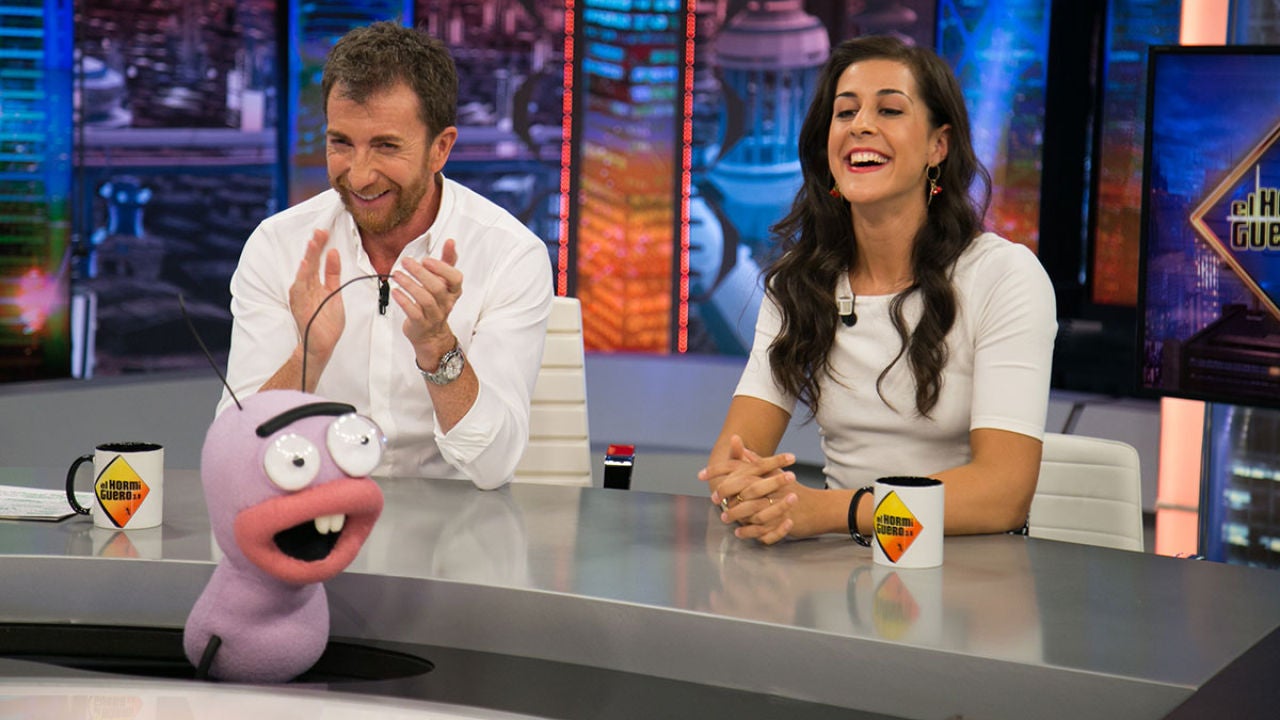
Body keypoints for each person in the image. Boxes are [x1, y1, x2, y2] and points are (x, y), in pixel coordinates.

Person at [699, 36, 1056, 544]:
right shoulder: (800, 284)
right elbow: (733, 461)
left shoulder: (1004, 276)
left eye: (889, 110)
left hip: (968, 567)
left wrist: (833, 511)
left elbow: (1002, 493)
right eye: (845, 113)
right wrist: (745, 492)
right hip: (836, 568)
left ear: (938, 146)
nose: (860, 125)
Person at [218, 22, 553, 489]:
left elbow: (492, 465)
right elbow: (234, 453)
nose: (359, 176)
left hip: (454, 521)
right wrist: (309, 355)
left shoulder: (509, 256)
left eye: (386, 146)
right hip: (316, 509)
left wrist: (438, 348)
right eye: (341, 143)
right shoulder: (279, 246)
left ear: (440, 148)